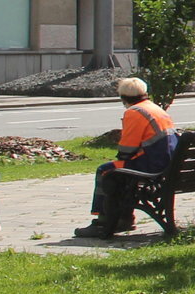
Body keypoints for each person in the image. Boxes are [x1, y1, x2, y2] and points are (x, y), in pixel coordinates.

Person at [75, 78, 179, 238]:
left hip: (152, 166)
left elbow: (127, 149)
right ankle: (124, 217)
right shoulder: (156, 109)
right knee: (120, 173)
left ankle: (103, 221)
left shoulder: (134, 112)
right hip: (169, 163)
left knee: (105, 171)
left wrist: (122, 157)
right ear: (145, 93)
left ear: (123, 97)